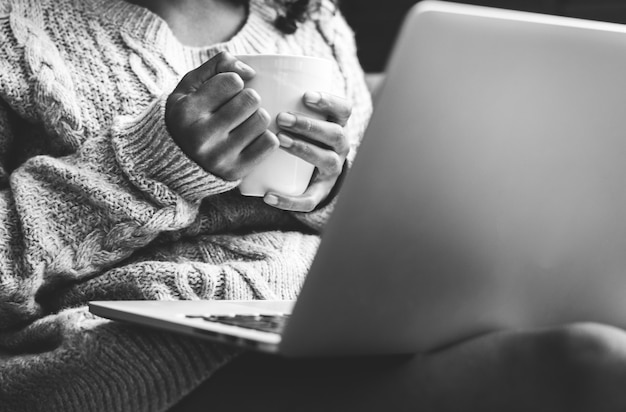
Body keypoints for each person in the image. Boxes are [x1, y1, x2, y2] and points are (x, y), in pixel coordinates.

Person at [1, 0, 626, 411]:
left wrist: (329, 189)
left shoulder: (311, 20)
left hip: (327, 322)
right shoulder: (17, 29)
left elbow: (385, 220)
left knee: (595, 347)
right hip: (139, 347)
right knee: (589, 362)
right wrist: (147, 163)